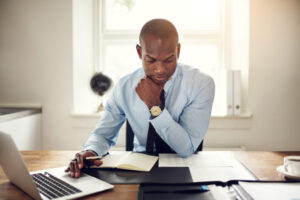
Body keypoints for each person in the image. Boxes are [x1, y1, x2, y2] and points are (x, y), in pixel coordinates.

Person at [65, 19, 215, 178]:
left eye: (168, 60)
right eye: (151, 60)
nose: (160, 69)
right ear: (139, 52)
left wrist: (155, 107)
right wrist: (90, 151)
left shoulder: (201, 84)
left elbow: (186, 149)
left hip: (186, 170)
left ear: (178, 51)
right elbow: (103, 134)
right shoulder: (124, 87)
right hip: (137, 170)